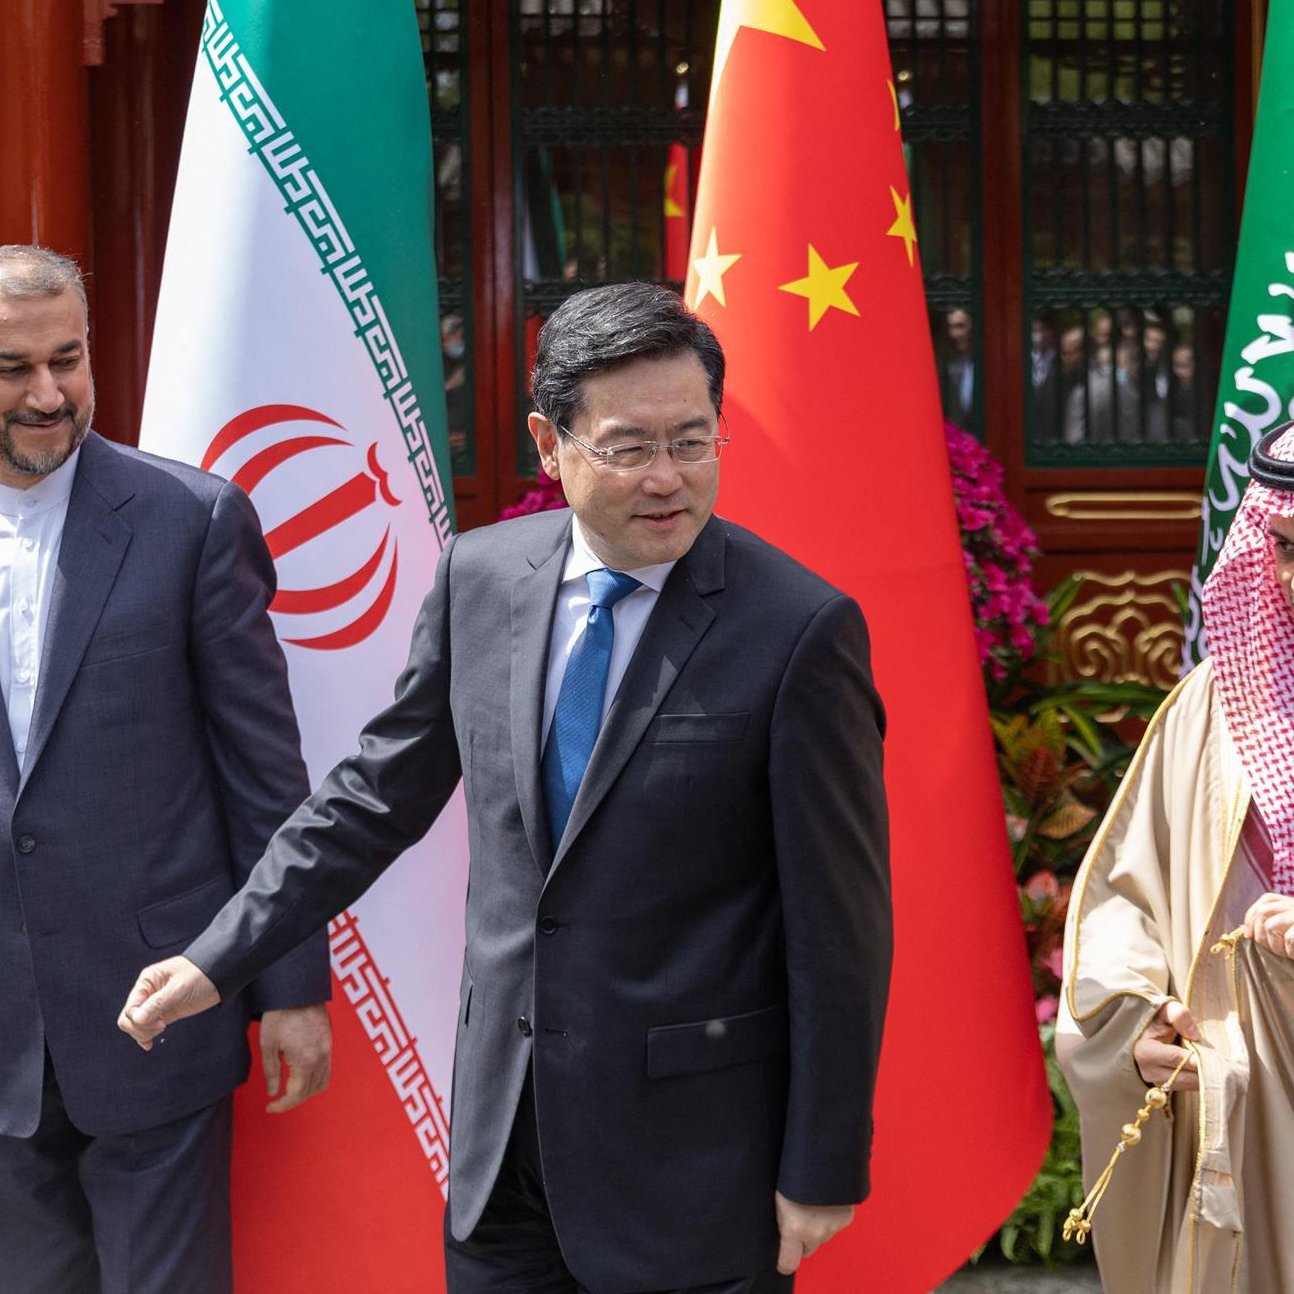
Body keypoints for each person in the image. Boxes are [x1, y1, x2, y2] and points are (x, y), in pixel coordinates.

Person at [118, 282, 892, 1293]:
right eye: (628, 447)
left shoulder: (798, 629)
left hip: (695, 1166)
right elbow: (373, 797)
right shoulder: (479, 579)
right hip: (503, 1158)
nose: (668, 478)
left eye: (692, 441)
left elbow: (839, 928)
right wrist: (218, 957)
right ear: (548, 444)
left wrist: (822, 1164)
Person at [0, 245, 332, 1294]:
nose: (48, 395)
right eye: (13, 369)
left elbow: (263, 773)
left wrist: (290, 987)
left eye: (68, 359)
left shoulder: (190, 519)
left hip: (157, 1011)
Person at [1058, 420, 1294, 1291]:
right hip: (1245, 1094)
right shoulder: (1215, 703)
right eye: (1285, 546)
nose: (1293, 577)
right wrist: (1136, 1022)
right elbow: (1130, 893)